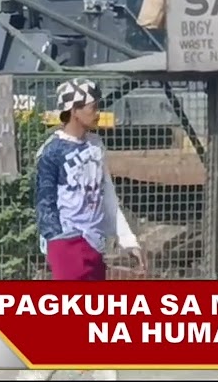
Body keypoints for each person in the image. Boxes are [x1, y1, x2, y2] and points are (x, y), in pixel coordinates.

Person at [35, 78, 146, 281]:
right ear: (74, 111)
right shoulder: (52, 152)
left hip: (95, 243)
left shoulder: (96, 145)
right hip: (67, 243)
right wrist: (58, 241)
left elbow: (108, 195)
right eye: (92, 107)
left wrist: (128, 240)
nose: (97, 113)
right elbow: (45, 203)